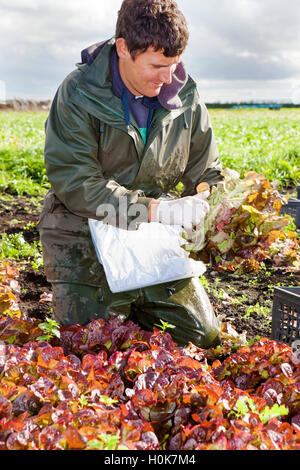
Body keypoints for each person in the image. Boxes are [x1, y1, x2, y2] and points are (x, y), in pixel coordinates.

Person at [38, 0, 223, 348]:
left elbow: (207, 171)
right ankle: (114, 301)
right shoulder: (78, 93)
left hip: (153, 237)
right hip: (83, 232)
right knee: (90, 344)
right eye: (156, 65)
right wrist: (156, 209)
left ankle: (138, 301)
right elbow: (77, 183)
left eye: (175, 64)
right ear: (123, 48)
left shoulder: (186, 95)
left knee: (203, 337)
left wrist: (204, 201)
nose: (168, 78)